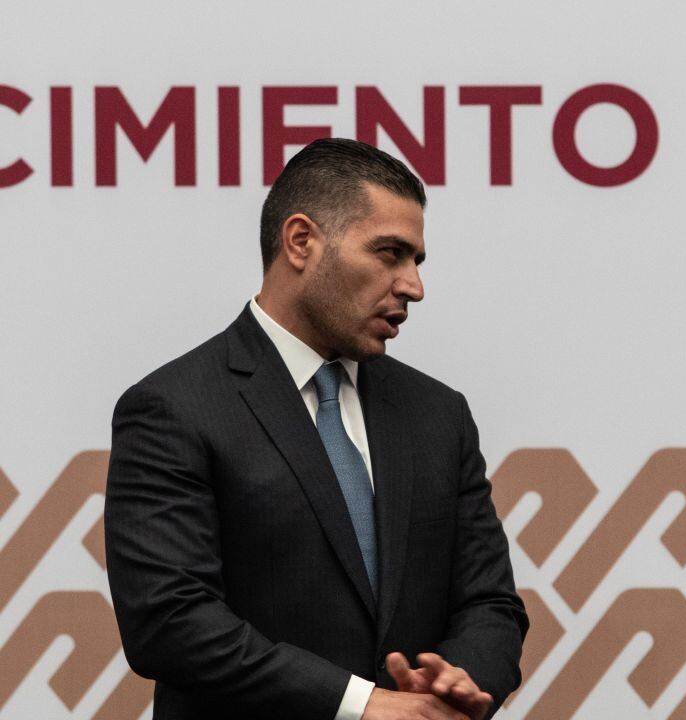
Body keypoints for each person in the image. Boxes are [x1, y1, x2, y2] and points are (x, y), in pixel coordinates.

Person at [105, 138, 528, 720]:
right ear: (301, 241)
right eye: (389, 253)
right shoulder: (174, 408)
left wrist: (455, 684)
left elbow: (491, 604)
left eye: (417, 262)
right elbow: (170, 622)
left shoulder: (439, 413)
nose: (413, 286)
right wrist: (361, 705)